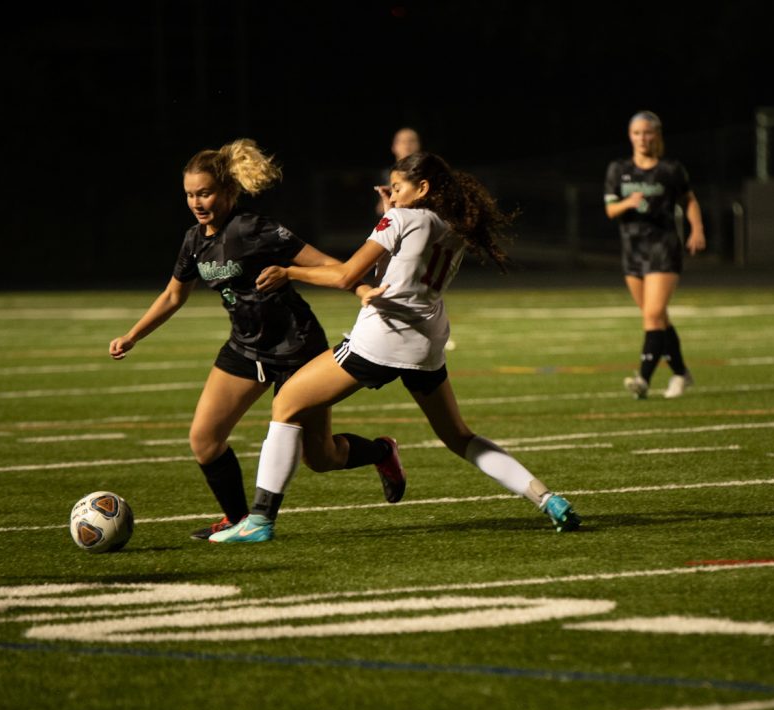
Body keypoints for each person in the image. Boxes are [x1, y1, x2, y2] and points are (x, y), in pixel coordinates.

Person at [209, 151, 582, 543]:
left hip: (381, 341)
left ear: (422, 188)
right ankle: (547, 498)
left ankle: (260, 520)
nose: (394, 195)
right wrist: (394, 207)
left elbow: (347, 275)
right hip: (425, 344)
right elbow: (409, 254)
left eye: (400, 187)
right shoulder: (453, 225)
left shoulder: (401, 218)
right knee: (459, 436)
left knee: (286, 405)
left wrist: (289, 272)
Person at [109, 139, 405, 540]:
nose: (198, 202)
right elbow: (173, 295)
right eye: (190, 195)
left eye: (206, 193)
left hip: (297, 349)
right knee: (204, 440)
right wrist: (133, 335)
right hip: (245, 349)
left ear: (228, 191)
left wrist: (360, 290)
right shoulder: (194, 241)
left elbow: (325, 263)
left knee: (322, 457)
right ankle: (237, 520)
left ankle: (382, 452)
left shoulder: (254, 228)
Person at [603, 111, 705, 399]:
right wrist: (629, 203)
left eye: (647, 132)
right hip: (632, 250)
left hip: (663, 247)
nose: (642, 138)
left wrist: (697, 229)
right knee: (657, 318)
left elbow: (689, 199)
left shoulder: (670, 169)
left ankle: (643, 380)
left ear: (657, 135)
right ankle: (682, 374)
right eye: (637, 133)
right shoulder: (618, 169)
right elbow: (610, 210)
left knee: (653, 314)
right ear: (630, 136)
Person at [375, 127, 421, 215]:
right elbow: (379, 209)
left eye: (412, 141)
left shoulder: (429, 172)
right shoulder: (383, 175)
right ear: (394, 147)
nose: (407, 146)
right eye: (402, 142)